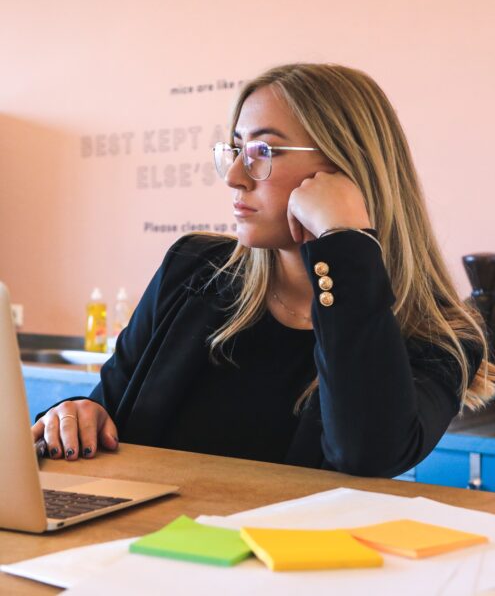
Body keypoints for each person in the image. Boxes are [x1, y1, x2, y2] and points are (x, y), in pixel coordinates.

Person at [32, 63, 495, 477]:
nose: (235, 174)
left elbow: (367, 454)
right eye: (235, 149)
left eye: (262, 152)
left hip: (292, 572)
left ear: (345, 169)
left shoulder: (439, 335)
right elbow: (104, 406)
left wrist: (344, 242)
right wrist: (76, 414)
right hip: (136, 555)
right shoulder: (192, 269)